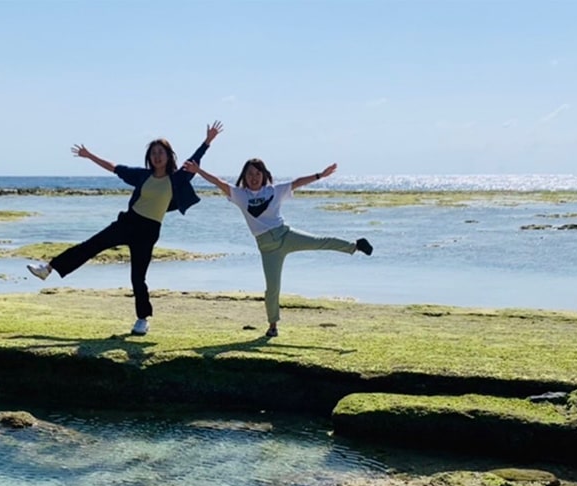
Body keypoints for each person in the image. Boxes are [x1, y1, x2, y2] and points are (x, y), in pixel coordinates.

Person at [27, 121, 224, 335]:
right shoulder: (142, 175)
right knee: (91, 246)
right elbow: (115, 168)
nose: (157, 156)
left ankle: (142, 319)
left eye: (161, 152)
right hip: (128, 222)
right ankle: (48, 269)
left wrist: (208, 140)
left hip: (149, 231)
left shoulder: (178, 178)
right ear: (149, 158)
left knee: (138, 277)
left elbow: (195, 158)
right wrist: (89, 155)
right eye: (153, 153)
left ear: (168, 156)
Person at [185, 157, 372, 337]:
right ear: (244, 176)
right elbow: (218, 182)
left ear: (264, 175)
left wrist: (320, 175)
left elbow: (297, 182)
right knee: (272, 288)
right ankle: (272, 325)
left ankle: (355, 246)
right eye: (250, 174)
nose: (254, 177)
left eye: (257, 173)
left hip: (285, 235)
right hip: (268, 249)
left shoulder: (274, 190)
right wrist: (198, 171)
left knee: (320, 241)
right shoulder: (240, 195)